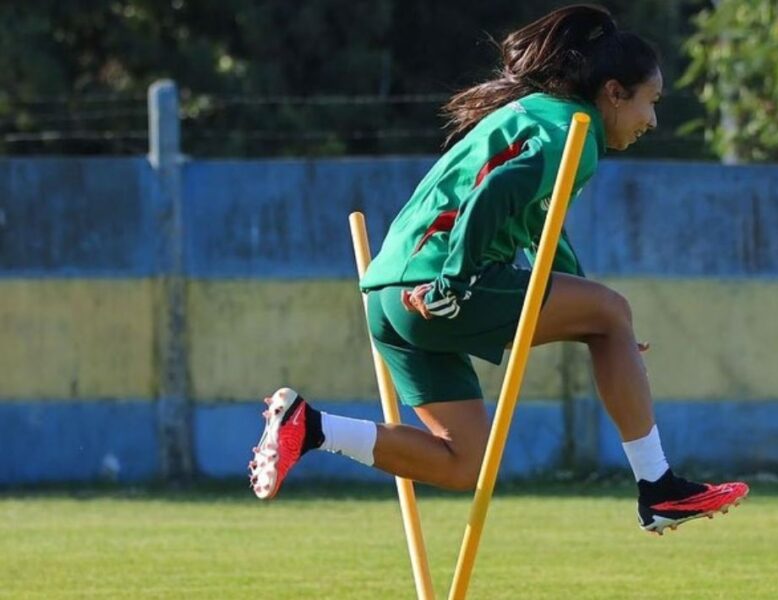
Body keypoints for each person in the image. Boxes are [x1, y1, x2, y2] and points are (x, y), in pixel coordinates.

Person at [248, 3, 748, 534]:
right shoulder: (573, 132)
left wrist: (595, 316)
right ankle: (658, 487)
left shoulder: (538, 114)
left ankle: (312, 427)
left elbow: (541, 227)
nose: (653, 120)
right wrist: (456, 281)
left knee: (464, 462)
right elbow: (499, 190)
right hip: (435, 283)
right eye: (651, 102)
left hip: (387, 296)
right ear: (613, 93)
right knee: (611, 310)